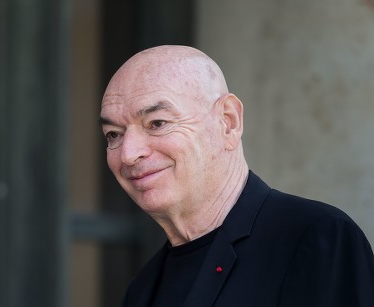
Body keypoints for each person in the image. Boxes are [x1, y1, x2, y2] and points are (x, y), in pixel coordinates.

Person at [99, 45, 374, 306]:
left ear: (228, 122)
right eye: (114, 134)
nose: (128, 154)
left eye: (157, 123)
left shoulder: (318, 239)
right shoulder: (143, 290)